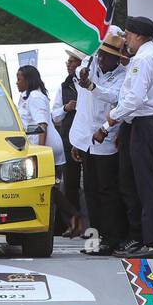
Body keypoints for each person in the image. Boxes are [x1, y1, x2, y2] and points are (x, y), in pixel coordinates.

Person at [101, 15, 153, 257]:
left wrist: (109, 121)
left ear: (137, 36)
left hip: (147, 124)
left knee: (148, 186)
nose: (126, 40)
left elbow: (134, 99)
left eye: (127, 35)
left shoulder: (142, 60)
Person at [69, 31, 130, 255]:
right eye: (101, 54)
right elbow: (78, 70)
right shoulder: (90, 63)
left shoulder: (124, 75)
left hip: (106, 139)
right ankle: (94, 239)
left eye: (108, 56)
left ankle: (112, 239)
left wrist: (91, 86)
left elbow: (113, 97)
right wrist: (83, 73)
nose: (103, 59)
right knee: (90, 191)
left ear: (118, 58)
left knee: (108, 191)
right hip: (85, 137)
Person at [51, 49, 86, 237]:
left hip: (88, 139)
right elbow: (54, 114)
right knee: (70, 183)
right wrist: (66, 108)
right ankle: (74, 225)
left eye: (73, 61)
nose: (69, 64)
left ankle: (90, 224)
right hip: (68, 138)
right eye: (68, 61)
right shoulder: (63, 86)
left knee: (91, 184)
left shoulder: (88, 83)